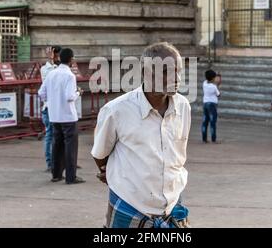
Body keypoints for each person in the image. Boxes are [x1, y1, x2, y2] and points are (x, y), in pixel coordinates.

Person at [91, 42, 191, 228]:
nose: (176, 78)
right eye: (166, 71)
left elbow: (178, 153)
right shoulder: (117, 110)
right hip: (130, 204)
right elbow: (100, 154)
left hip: (172, 202)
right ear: (146, 72)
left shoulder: (183, 106)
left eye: (178, 71)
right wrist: (112, 172)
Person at [38, 48, 84, 184]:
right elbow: (70, 96)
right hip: (68, 116)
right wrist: (78, 93)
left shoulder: (52, 74)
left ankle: (56, 174)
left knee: (56, 145)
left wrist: (52, 101)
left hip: (54, 115)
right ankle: (71, 176)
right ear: (71, 60)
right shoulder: (70, 76)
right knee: (70, 147)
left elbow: (41, 93)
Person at [40, 46, 62, 172]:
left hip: (59, 108)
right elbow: (49, 81)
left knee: (60, 136)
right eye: (57, 55)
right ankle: (50, 162)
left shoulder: (60, 68)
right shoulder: (46, 69)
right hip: (49, 108)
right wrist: (52, 61)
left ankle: (62, 161)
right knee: (50, 135)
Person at [202, 70, 220, 143]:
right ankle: (213, 139)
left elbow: (207, 80)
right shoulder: (214, 87)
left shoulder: (204, 84)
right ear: (213, 78)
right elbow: (218, 94)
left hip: (205, 103)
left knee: (205, 122)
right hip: (212, 105)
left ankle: (204, 139)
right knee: (212, 122)